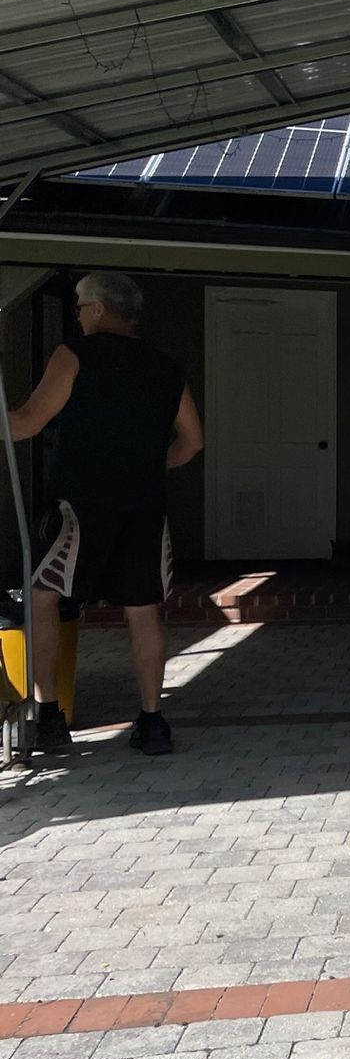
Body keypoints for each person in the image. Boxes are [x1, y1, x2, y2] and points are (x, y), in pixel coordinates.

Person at [6, 273, 202, 756]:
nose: (75, 314)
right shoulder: (165, 366)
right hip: (143, 505)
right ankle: (152, 719)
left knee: (42, 595)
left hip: (79, 505)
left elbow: (29, 422)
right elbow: (192, 441)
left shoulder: (72, 355)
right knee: (143, 609)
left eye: (77, 306)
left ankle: (49, 714)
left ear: (96, 309)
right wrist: (148, 465)